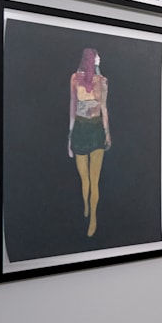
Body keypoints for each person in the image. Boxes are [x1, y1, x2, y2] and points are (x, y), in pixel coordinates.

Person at [68, 48, 111, 238]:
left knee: (94, 180)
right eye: (96, 57)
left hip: (94, 131)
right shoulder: (75, 79)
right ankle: (86, 204)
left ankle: (93, 216)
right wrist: (69, 136)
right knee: (84, 178)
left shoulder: (102, 81)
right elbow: (73, 106)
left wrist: (107, 133)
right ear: (92, 60)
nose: (99, 59)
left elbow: (103, 108)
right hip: (80, 129)